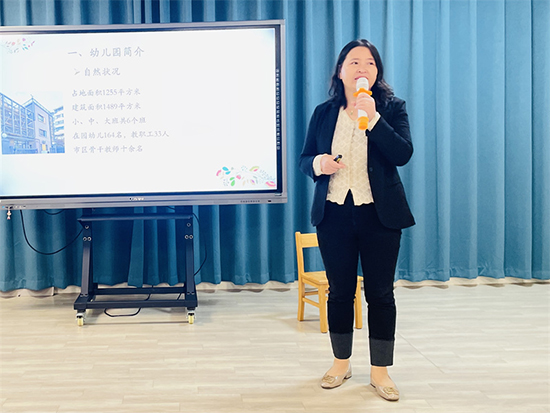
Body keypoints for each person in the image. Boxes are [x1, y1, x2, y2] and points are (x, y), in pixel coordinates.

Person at [299, 39, 415, 402]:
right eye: (354, 62)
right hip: (333, 213)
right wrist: (319, 164)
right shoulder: (323, 112)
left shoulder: (392, 108)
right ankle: (340, 363)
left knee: (380, 294)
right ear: (340, 71)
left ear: (377, 72)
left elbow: (402, 154)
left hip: (380, 215)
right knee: (339, 292)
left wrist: (375, 118)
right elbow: (305, 159)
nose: (362, 68)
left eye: (369, 63)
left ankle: (380, 371)